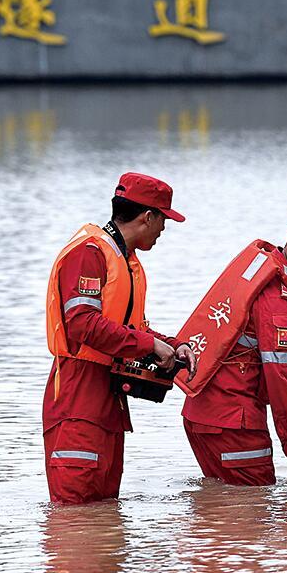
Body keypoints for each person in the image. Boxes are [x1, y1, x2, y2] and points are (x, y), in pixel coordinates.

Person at [43, 172, 197, 504]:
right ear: (148, 217)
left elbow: (131, 328)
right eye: (164, 221)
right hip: (77, 399)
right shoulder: (89, 252)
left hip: (108, 402)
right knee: (75, 515)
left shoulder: (124, 260)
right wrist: (149, 345)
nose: (164, 230)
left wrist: (173, 344)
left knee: (104, 517)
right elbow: (82, 324)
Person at [176, 203, 287, 485]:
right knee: (254, 509)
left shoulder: (268, 268)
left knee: (224, 508)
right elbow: (281, 378)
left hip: (202, 414)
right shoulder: (278, 299)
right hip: (234, 422)